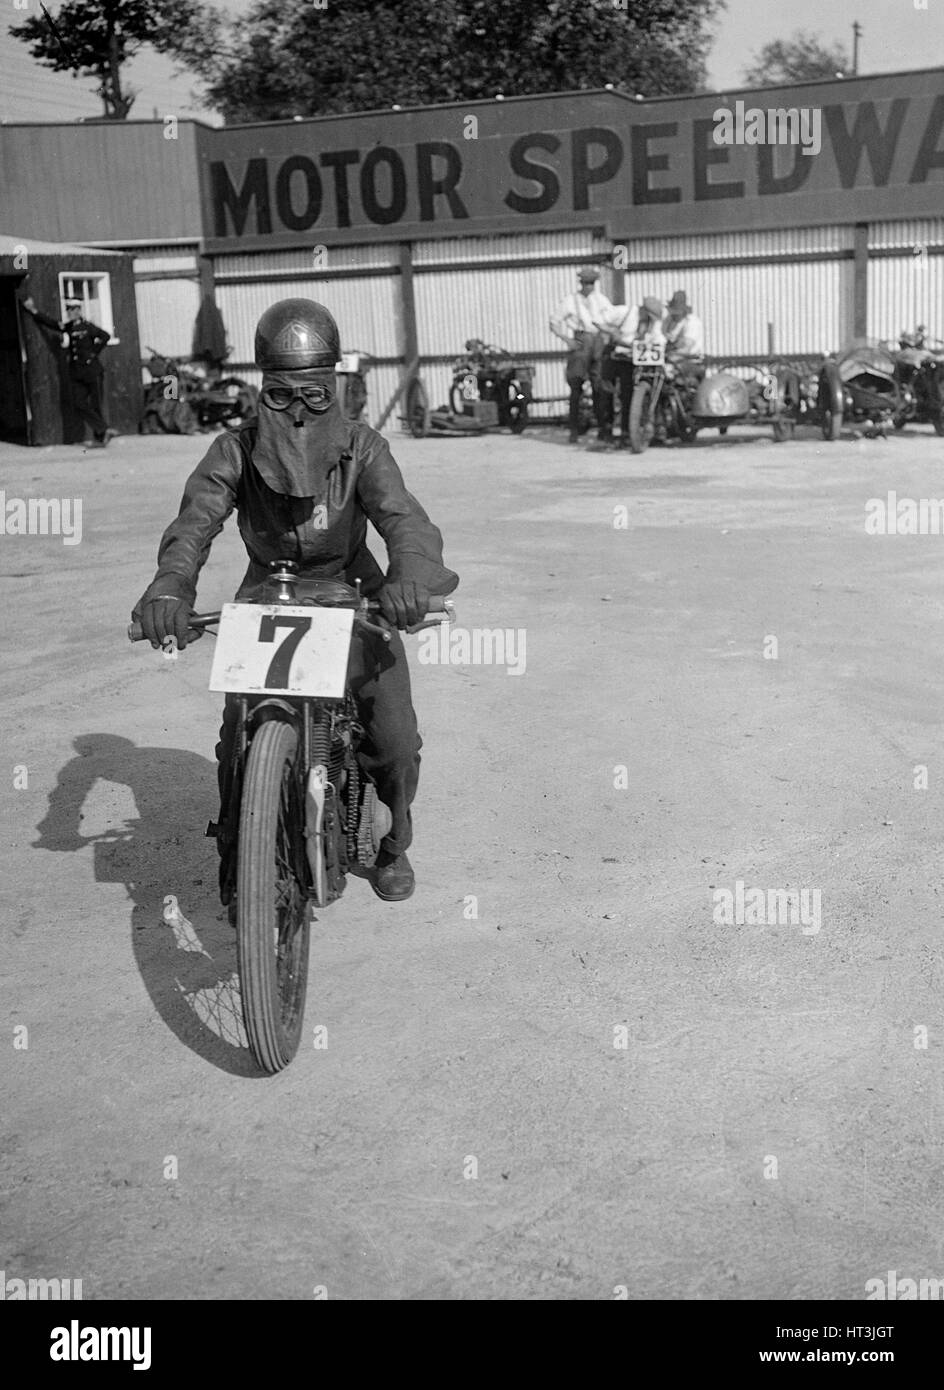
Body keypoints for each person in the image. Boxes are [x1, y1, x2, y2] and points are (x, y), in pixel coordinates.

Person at [132, 298, 459, 904]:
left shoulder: (365, 448)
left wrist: (409, 577)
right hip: (266, 595)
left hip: (356, 592)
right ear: (262, 389)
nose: (301, 412)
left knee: (394, 738)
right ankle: (242, 842)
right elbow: (194, 523)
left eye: (316, 395)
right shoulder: (232, 450)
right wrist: (170, 586)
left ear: (334, 387)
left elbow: (405, 518)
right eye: (282, 396)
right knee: (238, 733)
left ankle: (394, 844)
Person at [20, 294, 116, 447]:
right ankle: (104, 428)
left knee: (96, 404)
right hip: (77, 372)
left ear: (78, 310)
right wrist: (33, 311)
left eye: (72, 310)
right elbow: (50, 323)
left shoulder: (88, 327)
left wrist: (93, 353)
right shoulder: (68, 327)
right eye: (68, 310)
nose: (70, 313)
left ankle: (101, 437)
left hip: (92, 371)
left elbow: (105, 336)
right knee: (79, 403)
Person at [549, 265, 612, 443]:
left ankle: (602, 429)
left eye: (591, 283)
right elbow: (554, 322)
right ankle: (574, 430)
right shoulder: (570, 300)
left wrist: (607, 339)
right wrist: (566, 339)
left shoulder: (602, 300)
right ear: (580, 283)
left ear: (595, 284)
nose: (588, 287)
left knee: (599, 387)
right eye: (585, 283)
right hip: (580, 341)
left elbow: (611, 320)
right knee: (576, 387)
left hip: (598, 340)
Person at [596, 296, 665, 446]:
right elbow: (598, 320)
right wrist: (611, 332)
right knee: (607, 392)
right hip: (614, 355)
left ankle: (627, 433)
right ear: (643, 310)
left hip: (630, 360)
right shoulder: (624, 312)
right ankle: (606, 431)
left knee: (628, 395)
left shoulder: (652, 324)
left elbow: (657, 338)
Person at [663, 290, 705, 363]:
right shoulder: (670, 320)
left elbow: (686, 348)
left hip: (690, 360)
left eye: (676, 312)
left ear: (683, 311)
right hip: (672, 355)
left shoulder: (692, 322)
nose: (673, 314)